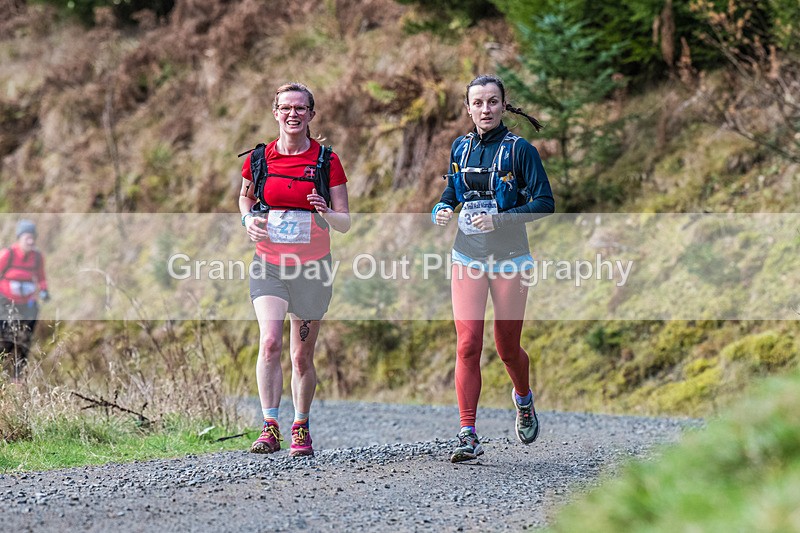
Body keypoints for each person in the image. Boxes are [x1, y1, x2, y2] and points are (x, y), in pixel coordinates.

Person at [432, 75, 555, 463]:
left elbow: (545, 203)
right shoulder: (460, 147)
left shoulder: (521, 151)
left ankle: (523, 398)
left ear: (504, 106)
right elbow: (453, 189)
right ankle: (467, 433)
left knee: (506, 347)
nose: (485, 109)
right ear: (467, 108)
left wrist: (500, 219)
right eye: (478, 103)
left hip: (510, 260)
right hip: (467, 257)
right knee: (467, 344)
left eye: (492, 102)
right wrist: (442, 206)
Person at [238, 82, 350, 457]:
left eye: (301, 108)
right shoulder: (258, 158)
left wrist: (325, 211)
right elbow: (245, 196)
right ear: (275, 113)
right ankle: (270, 426)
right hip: (268, 264)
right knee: (269, 343)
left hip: (312, 269)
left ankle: (300, 425)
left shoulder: (326, 162)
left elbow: (345, 221)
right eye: (286, 108)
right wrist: (247, 220)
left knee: (301, 356)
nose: (293, 114)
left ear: (311, 115)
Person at [0, 219, 49, 380]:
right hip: (6, 303)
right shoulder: (8, 254)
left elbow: (41, 277)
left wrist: (44, 291)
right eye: (27, 237)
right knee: (5, 340)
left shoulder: (37, 257)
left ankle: (18, 377)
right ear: (19, 238)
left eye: (32, 237)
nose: (30, 241)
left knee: (23, 342)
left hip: (27, 304)